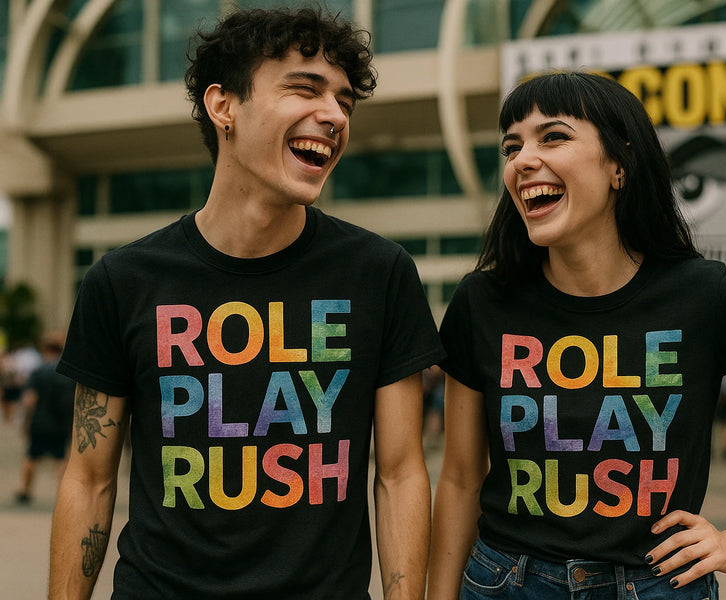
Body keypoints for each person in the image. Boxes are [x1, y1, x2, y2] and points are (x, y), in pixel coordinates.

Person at [49, 7, 443, 599]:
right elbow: (89, 478)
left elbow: (400, 474)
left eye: (343, 101)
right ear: (223, 106)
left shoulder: (379, 274)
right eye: (305, 89)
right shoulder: (123, 280)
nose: (334, 115)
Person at [428, 71, 726, 599]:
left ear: (619, 166)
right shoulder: (481, 301)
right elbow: (461, 479)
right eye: (511, 147)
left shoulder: (703, 295)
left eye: (553, 136)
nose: (521, 160)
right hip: (507, 583)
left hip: (656, 586)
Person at [14, 331, 75, 504]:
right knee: (60, 459)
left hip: (40, 422)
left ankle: (25, 490)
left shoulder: (39, 371)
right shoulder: (68, 373)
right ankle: (62, 493)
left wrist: (25, 422)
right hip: (62, 423)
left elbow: (29, 400)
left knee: (32, 457)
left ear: (45, 350)